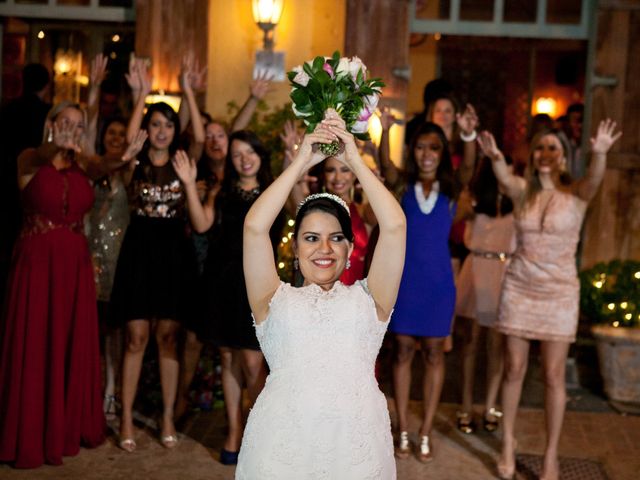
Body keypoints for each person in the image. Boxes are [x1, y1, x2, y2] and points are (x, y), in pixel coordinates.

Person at [235, 109, 406, 478]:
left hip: (355, 447)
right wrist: (300, 162)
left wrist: (354, 161)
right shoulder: (271, 299)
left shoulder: (371, 299)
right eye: (311, 238)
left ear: (349, 250)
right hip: (281, 445)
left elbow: (394, 226)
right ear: (295, 251)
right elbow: (253, 227)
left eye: (336, 238)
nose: (324, 248)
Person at [0, 102, 145, 468]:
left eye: (79, 125)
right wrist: (54, 145)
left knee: (70, 342)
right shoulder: (30, 156)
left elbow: (103, 165)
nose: (72, 130)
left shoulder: (84, 163)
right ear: (50, 124)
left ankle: (66, 426)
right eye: (65, 122)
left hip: (75, 268)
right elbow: (37, 164)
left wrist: (124, 157)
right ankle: (30, 432)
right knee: (35, 343)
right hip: (36, 265)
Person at [477, 119, 621, 480]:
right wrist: (495, 156)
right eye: (540, 147)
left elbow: (595, 178)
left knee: (555, 376)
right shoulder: (522, 190)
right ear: (532, 154)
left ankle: (551, 455)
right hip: (520, 287)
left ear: (564, 157)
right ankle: (508, 442)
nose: (545, 154)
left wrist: (600, 153)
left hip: (559, 292)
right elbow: (504, 177)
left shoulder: (578, 193)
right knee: (513, 368)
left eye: (553, 149)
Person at [110, 59, 204, 452]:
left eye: (168, 124)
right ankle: (127, 415)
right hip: (139, 250)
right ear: (147, 131)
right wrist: (142, 96)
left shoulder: (185, 162)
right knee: (136, 336)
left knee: (168, 336)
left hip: (173, 252)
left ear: (174, 131)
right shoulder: (134, 160)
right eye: (155, 124)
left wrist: (190, 93)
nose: (161, 131)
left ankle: (167, 414)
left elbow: (199, 135)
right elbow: (130, 136)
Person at [173, 130, 281, 465]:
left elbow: (297, 207)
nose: (244, 158)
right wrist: (190, 184)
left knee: (252, 362)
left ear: (261, 155)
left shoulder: (274, 192)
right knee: (228, 358)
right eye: (237, 154)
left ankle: (260, 428)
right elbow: (202, 224)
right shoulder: (221, 192)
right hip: (222, 282)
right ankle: (234, 429)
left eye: (250, 151)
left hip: (258, 285)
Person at [380, 119, 475, 462]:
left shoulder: (450, 190)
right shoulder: (403, 186)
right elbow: (386, 169)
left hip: (437, 285)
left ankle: (426, 431)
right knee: (402, 351)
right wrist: (387, 129)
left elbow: (469, 167)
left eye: (434, 148)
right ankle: (403, 428)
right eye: (420, 147)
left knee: (435, 354)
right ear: (412, 151)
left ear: (442, 153)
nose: (426, 154)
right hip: (406, 283)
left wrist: (468, 136)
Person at [454, 156, 516, 434]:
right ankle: (466, 405)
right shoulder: (474, 195)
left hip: (504, 271)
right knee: (470, 342)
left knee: (497, 344)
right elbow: (455, 218)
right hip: (477, 267)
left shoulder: (519, 196)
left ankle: (491, 404)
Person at [0, 63, 52, 300]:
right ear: (46, 85)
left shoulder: (8, 110)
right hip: (36, 185)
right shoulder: (46, 114)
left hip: (7, 184)